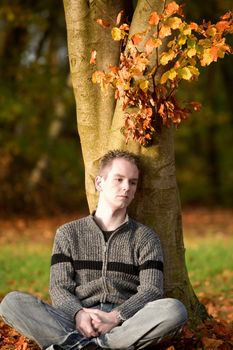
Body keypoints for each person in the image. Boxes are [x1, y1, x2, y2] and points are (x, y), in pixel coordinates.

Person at [0, 150, 188, 350]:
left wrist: (114, 317)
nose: (126, 187)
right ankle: (90, 345)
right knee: (12, 303)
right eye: (119, 179)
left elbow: (152, 290)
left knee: (174, 310)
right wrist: (79, 314)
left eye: (132, 182)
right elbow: (59, 287)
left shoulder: (145, 237)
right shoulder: (68, 233)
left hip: (124, 325)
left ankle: (79, 347)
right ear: (100, 183)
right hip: (73, 321)